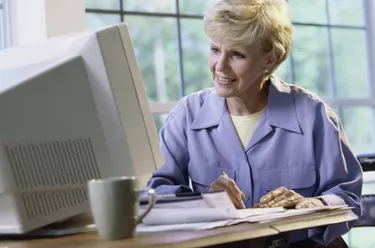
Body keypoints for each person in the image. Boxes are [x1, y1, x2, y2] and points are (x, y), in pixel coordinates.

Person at [146, 0, 362, 247]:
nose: (220, 65)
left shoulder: (314, 115)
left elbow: (348, 196)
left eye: (237, 54)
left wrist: (314, 205)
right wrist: (202, 202)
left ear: (268, 61)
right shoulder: (186, 115)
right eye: (215, 50)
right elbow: (154, 194)